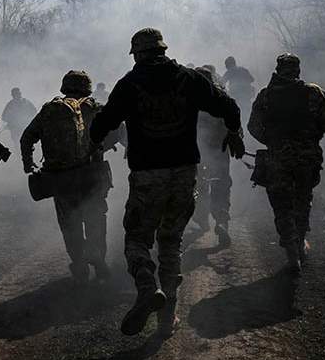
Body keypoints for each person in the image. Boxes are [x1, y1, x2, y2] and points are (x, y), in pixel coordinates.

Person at [90, 28, 244, 337]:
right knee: (171, 242)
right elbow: (229, 106)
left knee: (137, 240)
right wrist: (233, 132)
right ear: (162, 50)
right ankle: (167, 317)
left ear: (138, 54)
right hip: (184, 173)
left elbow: (102, 125)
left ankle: (147, 287)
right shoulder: (189, 78)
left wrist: (95, 142)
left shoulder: (129, 84)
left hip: (147, 175)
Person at [20, 71, 117, 285]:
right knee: (96, 219)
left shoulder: (49, 110)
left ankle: (79, 266)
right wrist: (102, 147)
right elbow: (118, 131)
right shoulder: (96, 108)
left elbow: (27, 137)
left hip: (62, 180)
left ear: (65, 87)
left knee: (70, 224)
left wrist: (29, 164)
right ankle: (98, 259)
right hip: (92, 177)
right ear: (87, 87)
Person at [248, 53, 325, 275]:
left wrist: (272, 141)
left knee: (281, 204)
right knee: (302, 200)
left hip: (278, 158)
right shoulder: (313, 93)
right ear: (298, 70)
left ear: (278, 70)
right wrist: (310, 134)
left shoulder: (266, 96)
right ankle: (299, 242)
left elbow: (253, 127)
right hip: (306, 158)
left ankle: (290, 247)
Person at [193, 66, 234, 247]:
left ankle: (202, 219)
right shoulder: (222, 99)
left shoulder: (186, 100)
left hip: (195, 153)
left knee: (198, 186)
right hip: (219, 152)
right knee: (221, 186)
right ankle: (221, 221)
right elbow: (234, 126)